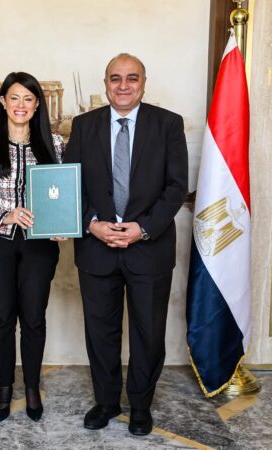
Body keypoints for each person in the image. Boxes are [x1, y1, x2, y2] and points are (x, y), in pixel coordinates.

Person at [64, 53, 188, 436]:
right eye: (115, 78)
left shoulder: (168, 124)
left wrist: (143, 229)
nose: (123, 85)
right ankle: (106, 402)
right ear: (105, 84)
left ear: (143, 84)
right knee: (100, 332)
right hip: (96, 247)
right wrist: (91, 225)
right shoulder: (83, 126)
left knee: (148, 333)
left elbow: (176, 188)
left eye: (132, 78)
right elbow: (71, 182)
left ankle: (140, 406)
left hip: (149, 248)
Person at [0, 72, 65, 422]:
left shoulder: (55, 144)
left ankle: (32, 387)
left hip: (40, 246)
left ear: (37, 106)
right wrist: (4, 215)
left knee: (34, 318)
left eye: (28, 99)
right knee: (2, 318)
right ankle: (5, 386)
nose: (21, 105)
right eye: (15, 98)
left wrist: (62, 223)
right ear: (3, 102)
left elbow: (64, 193)